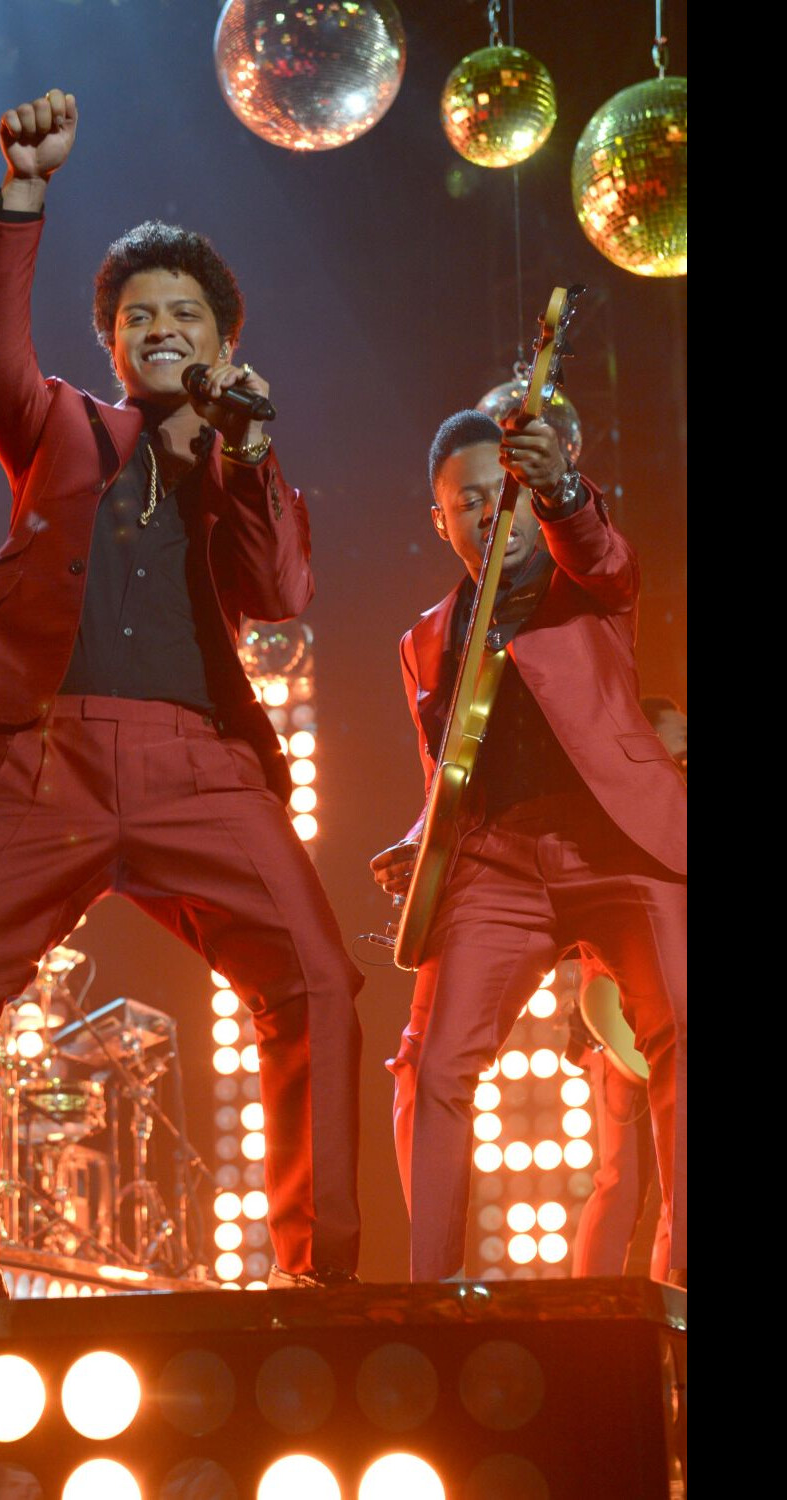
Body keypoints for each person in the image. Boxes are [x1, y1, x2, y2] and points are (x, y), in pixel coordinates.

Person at [0, 89, 363, 1300]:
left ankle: (321, 1280)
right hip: (42, 757)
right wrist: (24, 198)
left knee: (317, 984)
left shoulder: (245, 462)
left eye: (182, 312)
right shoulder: (61, 427)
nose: (158, 324)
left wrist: (245, 452)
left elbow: (277, 593)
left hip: (203, 766)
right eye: (137, 313)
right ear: (110, 344)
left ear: (221, 344)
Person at [370, 408, 686, 1286]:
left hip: (620, 844)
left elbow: (607, 555)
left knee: (682, 1035)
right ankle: (433, 1299)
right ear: (442, 522)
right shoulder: (421, 641)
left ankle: (685, 1297)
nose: (489, 512)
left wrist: (561, 493)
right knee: (428, 1065)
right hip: (497, 861)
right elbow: (442, 773)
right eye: (469, 502)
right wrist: (413, 842)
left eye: (503, 493)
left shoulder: (584, 579)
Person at [569, 694, 686, 1280]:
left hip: (638, 1006)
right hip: (615, 1005)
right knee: (627, 1178)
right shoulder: (615, 806)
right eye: (676, 732)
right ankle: (589, 1315)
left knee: (666, 1179)